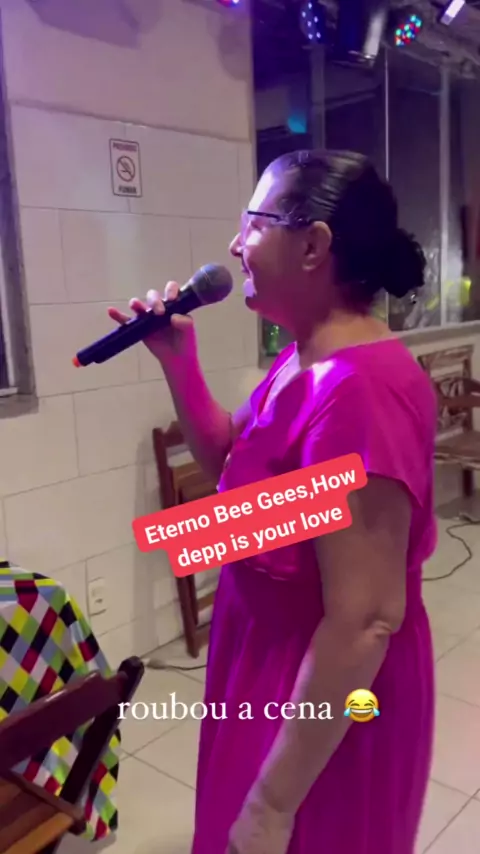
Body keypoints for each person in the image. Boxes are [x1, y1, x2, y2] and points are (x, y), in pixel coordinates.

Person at [110, 150, 437, 854]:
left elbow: (366, 620)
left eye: (252, 224)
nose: (235, 246)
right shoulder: (302, 359)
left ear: (314, 245)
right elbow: (233, 467)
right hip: (265, 659)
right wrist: (179, 363)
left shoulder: (362, 391)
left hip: (325, 691)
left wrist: (271, 805)